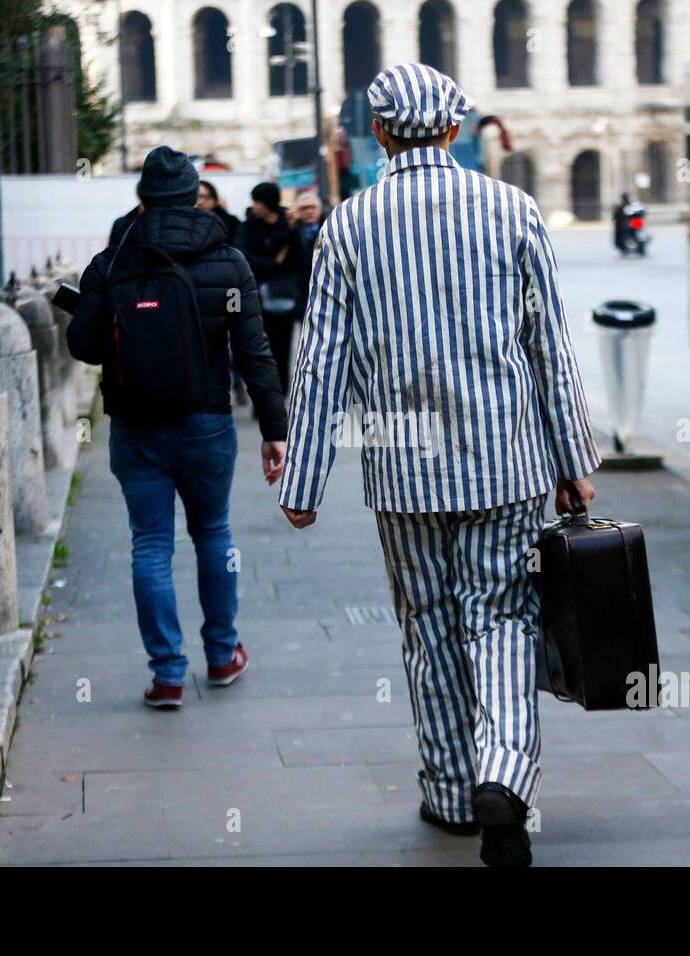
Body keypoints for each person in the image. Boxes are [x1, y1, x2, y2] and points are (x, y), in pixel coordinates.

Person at [277, 63, 601, 868]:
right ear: (455, 129)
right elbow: (548, 349)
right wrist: (574, 458)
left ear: (380, 133)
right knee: (501, 617)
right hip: (505, 464)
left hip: (403, 473)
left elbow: (321, 361)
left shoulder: (349, 227)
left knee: (428, 626)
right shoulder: (512, 210)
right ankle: (506, 777)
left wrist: (304, 479)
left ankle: (455, 790)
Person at [68, 145, 289, 709]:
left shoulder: (113, 260)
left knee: (150, 545)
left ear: (142, 197)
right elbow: (255, 352)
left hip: (135, 424)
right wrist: (273, 428)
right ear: (196, 195)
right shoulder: (228, 261)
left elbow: (83, 346)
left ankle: (168, 674)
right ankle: (222, 655)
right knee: (214, 533)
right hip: (207, 422)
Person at [235, 182, 302, 393]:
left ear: (268, 204)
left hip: (282, 296)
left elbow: (300, 258)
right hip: (254, 295)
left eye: (258, 201)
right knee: (261, 349)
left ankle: (281, 390)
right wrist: (273, 263)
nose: (254, 206)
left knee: (282, 347)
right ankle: (263, 393)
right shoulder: (248, 227)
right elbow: (244, 256)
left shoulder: (288, 224)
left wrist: (293, 231)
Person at [197, 179, 240, 244]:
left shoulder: (230, 222)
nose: (200, 202)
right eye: (196, 196)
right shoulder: (183, 220)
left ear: (214, 200)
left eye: (203, 196)